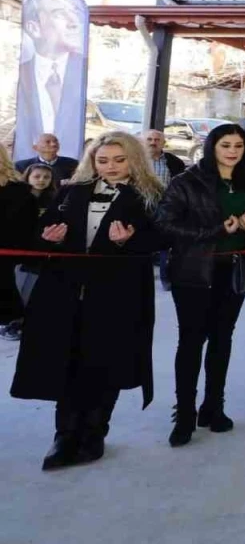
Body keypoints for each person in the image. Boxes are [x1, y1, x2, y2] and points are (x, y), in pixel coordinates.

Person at [10, 132, 163, 471]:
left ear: (134, 160)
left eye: (119, 160)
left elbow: (162, 239)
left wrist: (129, 242)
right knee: (66, 362)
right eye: (102, 160)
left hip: (116, 296)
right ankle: (64, 436)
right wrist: (49, 239)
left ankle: (94, 433)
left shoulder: (150, 195)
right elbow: (40, 235)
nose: (110, 167)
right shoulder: (71, 191)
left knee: (106, 363)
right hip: (63, 294)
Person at [154, 124, 245, 447]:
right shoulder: (187, 181)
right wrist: (215, 231)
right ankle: (185, 413)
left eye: (238, 145)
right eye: (225, 145)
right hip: (194, 273)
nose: (233, 151)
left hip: (234, 271)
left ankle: (213, 406)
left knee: (222, 339)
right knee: (192, 341)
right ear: (212, 148)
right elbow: (164, 224)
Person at [14, 0, 87, 157]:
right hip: (28, 165)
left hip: (72, 165)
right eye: (60, 14)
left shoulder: (85, 72)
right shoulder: (20, 74)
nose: (74, 22)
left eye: (74, 13)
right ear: (34, 28)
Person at [1, 145, 39, 342]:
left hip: (7, 248)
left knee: (3, 282)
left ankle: (12, 320)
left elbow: (25, 225)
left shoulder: (19, 192)